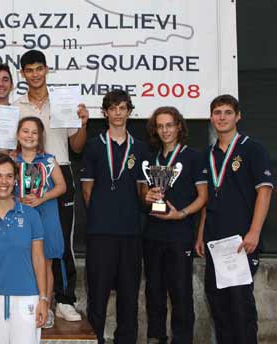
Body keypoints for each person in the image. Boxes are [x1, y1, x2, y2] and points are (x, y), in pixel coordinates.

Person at [15, 49, 89, 322]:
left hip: (59, 174)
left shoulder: (63, 102)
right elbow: (13, 145)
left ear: (47, 70)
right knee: (26, 238)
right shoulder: (16, 105)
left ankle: (65, 298)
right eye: (29, 70)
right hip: (25, 174)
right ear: (23, 74)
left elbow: (77, 146)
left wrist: (82, 124)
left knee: (62, 241)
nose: (35, 74)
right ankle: (32, 297)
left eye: (39, 69)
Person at [195, 95, 273, 344]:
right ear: (211, 117)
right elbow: (207, 199)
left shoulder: (253, 148)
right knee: (220, 308)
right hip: (215, 243)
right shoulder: (207, 154)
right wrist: (200, 235)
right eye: (217, 112)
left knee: (241, 310)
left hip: (241, 243)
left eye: (228, 112)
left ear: (238, 116)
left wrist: (255, 232)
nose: (222, 117)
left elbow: (265, 190)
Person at [81, 90, 148, 344]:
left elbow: (143, 191)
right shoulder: (94, 146)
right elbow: (87, 192)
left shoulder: (140, 148)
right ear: (105, 112)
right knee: (97, 296)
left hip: (131, 232)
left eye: (123, 108)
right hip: (100, 233)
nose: (118, 113)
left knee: (129, 297)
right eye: (113, 108)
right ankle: (94, 339)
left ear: (129, 111)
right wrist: (104, 213)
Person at [142, 107, 208, 344]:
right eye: (160, 126)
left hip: (180, 234)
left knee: (180, 293)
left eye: (169, 125)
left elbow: (203, 197)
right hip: (152, 234)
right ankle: (155, 337)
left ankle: (182, 340)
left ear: (179, 126)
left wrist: (181, 214)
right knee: (154, 292)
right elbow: (142, 193)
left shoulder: (193, 156)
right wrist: (146, 196)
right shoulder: (151, 157)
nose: (165, 130)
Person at [0, 153, 48, 344]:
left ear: (15, 180)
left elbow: (39, 259)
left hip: (27, 298)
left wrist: (44, 299)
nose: (3, 181)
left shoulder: (31, 215)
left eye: (9, 176)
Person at [13, 117, 66, 329]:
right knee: (20, 262)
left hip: (46, 215)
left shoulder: (49, 160)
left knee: (45, 263)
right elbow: (0, 186)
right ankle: (21, 307)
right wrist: (17, 200)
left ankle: (46, 307)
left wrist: (41, 198)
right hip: (19, 217)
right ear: (18, 134)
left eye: (34, 132)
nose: (29, 136)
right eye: (25, 131)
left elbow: (61, 186)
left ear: (40, 136)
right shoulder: (9, 160)